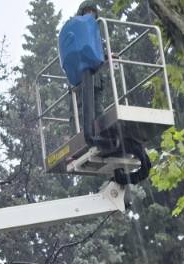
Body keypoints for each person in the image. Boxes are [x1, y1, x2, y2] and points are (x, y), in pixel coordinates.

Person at [59, 1, 117, 154]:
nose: (90, 14)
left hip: (94, 77)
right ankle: (77, 141)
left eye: (93, 11)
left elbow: (93, 51)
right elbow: (79, 50)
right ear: (82, 12)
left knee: (97, 108)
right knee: (78, 111)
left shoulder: (93, 31)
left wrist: (107, 56)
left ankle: (103, 136)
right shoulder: (76, 28)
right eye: (88, 11)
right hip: (80, 79)